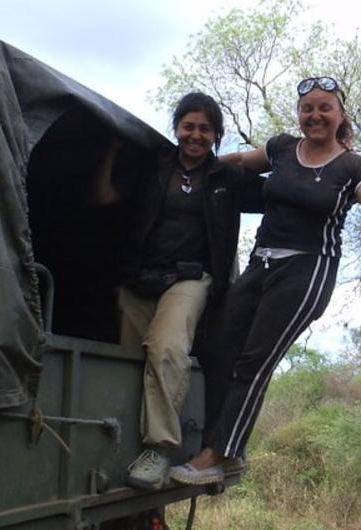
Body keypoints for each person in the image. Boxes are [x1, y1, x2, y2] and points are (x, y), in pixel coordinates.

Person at [169, 77, 361, 485]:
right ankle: (215, 444)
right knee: (217, 344)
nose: (315, 115)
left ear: (340, 115)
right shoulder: (282, 149)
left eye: (325, 108)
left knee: (255, 360)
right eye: (308, 109)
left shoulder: (353, 167)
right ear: (299, 115)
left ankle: (221, 454)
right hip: (260, 263)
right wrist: (188, 161)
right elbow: (233, 163)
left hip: (307, 271)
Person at [91, 92, 264, 490]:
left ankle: (160, 450)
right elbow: (103, 197)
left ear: (217, 135)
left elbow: (279, 191)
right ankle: (124, 454)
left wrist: (267, 153)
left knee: (168, 348)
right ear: (176, 128)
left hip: (191, 278)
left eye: (205, 129)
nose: (195, 136)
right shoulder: (153, 166)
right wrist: (110, 150)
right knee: (131, 361)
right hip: (140, 278)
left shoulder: (226, 179)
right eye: (189, 126)